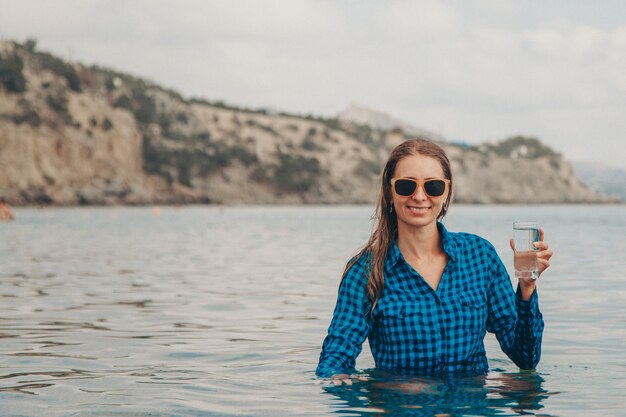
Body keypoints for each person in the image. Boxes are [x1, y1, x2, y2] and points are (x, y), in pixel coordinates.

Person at [316, 139, 553, 382]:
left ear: (447, 191)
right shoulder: (365, 272)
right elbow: (334, 360)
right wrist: (355, 390)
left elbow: (526, 357)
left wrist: (527, 285)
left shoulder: (480, 257)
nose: (419, 196)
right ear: (390, 191)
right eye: (407, 186)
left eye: (433, 187)